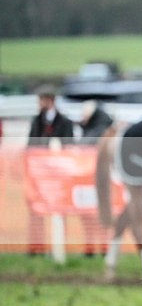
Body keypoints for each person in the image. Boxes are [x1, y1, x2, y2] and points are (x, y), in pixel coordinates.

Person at [27, 85, 75, 255]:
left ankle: (61, 248)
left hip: (59, 176)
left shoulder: (65, 122)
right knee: (36, 211)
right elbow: (31, 146)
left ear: (49, 100)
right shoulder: (36, 121)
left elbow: (69, 146)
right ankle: (36, 247)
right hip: (40, 175)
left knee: (60, 212)